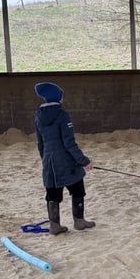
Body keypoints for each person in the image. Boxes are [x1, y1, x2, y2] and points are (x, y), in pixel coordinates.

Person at [34, 81, 95, 234]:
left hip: (48, 161)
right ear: (57, 97)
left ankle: (54, 226)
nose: (63, 98)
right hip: (65, 161)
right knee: (78, 189)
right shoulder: (62, 115)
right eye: (61, 96)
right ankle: (79, 221)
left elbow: (40, 143)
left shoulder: (38, 116)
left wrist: (45, 159)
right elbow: (69, 143)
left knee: (52, 194)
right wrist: (84, 161)